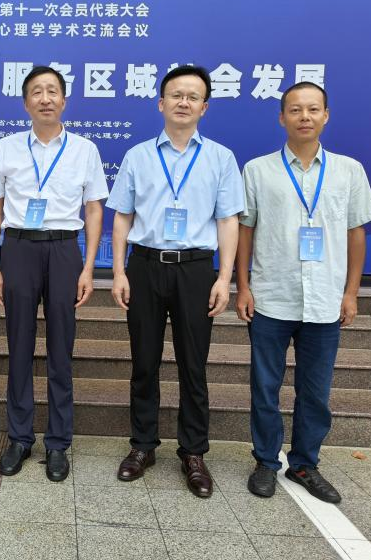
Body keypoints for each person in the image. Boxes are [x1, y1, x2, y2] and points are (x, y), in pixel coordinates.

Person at [236, 81, 371, 503]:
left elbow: (355, 233)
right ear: (282, 117)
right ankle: (266, 461)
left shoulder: (349, 170)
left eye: (313, 109)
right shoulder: (258, 170)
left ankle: (304, 464)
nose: (304, 117)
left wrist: (351, 293)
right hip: (271, 296)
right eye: (295, 110)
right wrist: (243, 286)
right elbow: (245, 231)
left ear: (326, 116)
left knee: (315, 392)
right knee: (265, 387)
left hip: (326, 300)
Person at [107, 65, 242, 497]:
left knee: (193, 365)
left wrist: (224, 278)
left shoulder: (220, 158)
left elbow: (228, 221)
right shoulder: (138, 156)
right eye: (176, 95)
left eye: (193, 96)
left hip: (196, 269)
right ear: (160, 103)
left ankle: (194, 452)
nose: (184, 102)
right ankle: (142, 445)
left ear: (205, 107)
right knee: (144, 362)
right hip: (145, 266)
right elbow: (122, 216)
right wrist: (119, 271)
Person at [0, 65, 108, 481]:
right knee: (18, 346)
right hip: (18, 247)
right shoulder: (7, 147)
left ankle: (58, 442)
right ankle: (19, 438)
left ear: (64, 100)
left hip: (63, 250)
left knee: (60, 350)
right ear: (25, 103)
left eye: (52, 91)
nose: (45, 98)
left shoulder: (85, 150)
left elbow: (94, 210)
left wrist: (88, 267)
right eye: (37, 91)